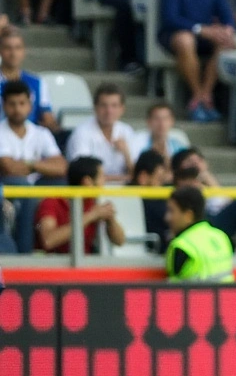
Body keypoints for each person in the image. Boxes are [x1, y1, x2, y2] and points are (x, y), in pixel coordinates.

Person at [160, 0, 236, 121]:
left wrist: (228, 29)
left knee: (227, 40)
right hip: (176, 34)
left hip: (207, 34)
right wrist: (200, 29)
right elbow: (170, 18)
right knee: (185, 40)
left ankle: (205, 95)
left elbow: (227, 12)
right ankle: (197, 95)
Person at [0, 80, 68, 253]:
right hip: (8, 188)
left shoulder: (41, 133)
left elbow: (61, 166)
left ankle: (63, 249)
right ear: (4, 106)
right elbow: (9, 168)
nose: (17, 109)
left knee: (63, 183)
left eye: (22, 103)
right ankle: (24, 253)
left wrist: (31, 164)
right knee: (23, 187)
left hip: (34, 186)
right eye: (12, 104)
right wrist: (42, 166)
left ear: (30, 105)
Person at [35, 156, 125, 254]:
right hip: (53, 264)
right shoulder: (51, 201)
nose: (104, 181)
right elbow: (48, 241)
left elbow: (120, 241)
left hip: (86, 264)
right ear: (87, 182)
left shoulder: (95, 202)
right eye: (102, 176)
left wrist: (111, 219)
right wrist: (91, 215)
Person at [163, 185, 235, 281]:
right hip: (229, 296)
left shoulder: (181, 246)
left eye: (172, 211)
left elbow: (173, 290)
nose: (167, 217)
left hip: (196, 296)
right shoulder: (221, 237)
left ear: (188, 215)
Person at [65, 84, 135, 182]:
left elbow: (139, 174)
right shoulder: (82, 132)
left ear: (122, 109)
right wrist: (124, 178)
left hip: (125, 192)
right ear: (95, 107)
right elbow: (83, 175)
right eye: (104, 105)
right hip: (91, 191)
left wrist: (126, 154)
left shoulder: (127, 131)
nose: (109, 111)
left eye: (114, 106)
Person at [0, 28, 57, 131]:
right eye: (8, 48)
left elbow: (47, 116)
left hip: (29, 141)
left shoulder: (38, 83)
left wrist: (51, 123)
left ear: (23, 51)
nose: (13, 53)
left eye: (18, 48)